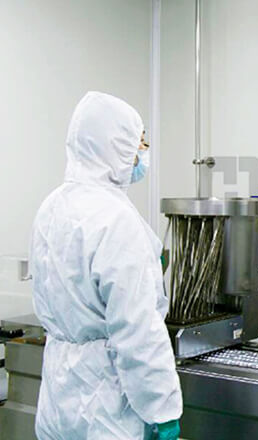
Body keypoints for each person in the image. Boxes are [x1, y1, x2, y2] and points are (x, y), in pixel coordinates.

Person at [29, 92, 182, 440]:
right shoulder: (116, 219)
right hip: (106, 407)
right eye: (139, 143)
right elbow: (137, 330)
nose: (143, 152)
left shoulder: (52, 206)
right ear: (115, 146)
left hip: (57, 396)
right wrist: (162, 410)